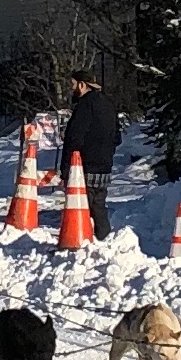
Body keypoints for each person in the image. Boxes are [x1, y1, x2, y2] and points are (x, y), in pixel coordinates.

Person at [61, 69, 122, 241]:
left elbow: (75, 138)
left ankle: (80, 242)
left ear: (81, 85)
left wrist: (66, 168)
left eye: (73, 84)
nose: (71, 89)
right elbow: (117, 137)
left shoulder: (85, 106)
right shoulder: (108, 104)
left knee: (81, 208)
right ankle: (103, 238)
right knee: (98, 206)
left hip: (84, 167)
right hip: (105, 165)